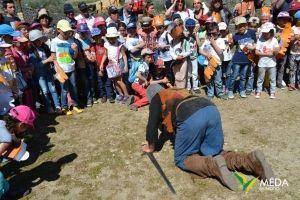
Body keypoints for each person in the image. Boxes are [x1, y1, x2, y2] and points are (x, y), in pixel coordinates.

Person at [141, 84, 274, 191]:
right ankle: (250, 161)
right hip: (210, 108)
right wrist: (160, 142)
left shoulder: (156, 99)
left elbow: (152, 125)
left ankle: (213, 165)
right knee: (215, 151)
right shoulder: (176, 89)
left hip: (190, 115)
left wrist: (151, 146)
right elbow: (167, 130)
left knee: (182, 158)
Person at [51, 20, 83, 115]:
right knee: (64, 89)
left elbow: (74, 57)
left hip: (71, 68)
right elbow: (53, 57)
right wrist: (57, 68)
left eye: (67, 31)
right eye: (64, 31)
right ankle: (64, 107)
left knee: (74, 87)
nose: (66, 33)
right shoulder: (54, 41)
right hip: (61, 70)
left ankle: (75, 105)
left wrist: (76, 50)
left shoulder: (70, 40)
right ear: (58, 30)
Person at [227, 16, 256, 99]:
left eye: (243, 25)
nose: (241, 28)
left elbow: (255, 44)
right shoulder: (235, 36)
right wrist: (230, 43)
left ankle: (242, 90)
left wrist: (253, 49)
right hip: (237, 60)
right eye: (239, 26)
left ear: (246, 25)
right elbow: (232, 46)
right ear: (236, 27)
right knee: (234, 76)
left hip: (247, 60)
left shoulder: (251, 33)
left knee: (243, 77)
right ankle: (230, 90)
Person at [100, 27, 130, 103]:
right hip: (111, 64)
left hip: (119, 63)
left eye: (113, 38)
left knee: (119, 80)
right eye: (110, 38)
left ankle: (126, 95)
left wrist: (126, 65)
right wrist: (101, 64)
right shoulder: (106, 44)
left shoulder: (120, 45)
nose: (112, 40)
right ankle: (120, 94)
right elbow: (105, 54)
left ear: (116, 37)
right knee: (114, 80)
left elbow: (124, 55)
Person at [199, 22, 227, 99]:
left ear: (218, 32)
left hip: (217, 64)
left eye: (214, 33)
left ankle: (220, 93)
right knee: (209, 79)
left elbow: (220, 52)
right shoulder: (206, 41)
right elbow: (200, 50)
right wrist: (206, 54)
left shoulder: (220, 40)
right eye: (209, 34)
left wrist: (213, 42)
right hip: (207, 64)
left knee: (218, 80)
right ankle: (210, 93)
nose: (211, 36)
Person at [90, 28, 115, 103]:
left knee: (108, 82)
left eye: (98, 36)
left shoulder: (105, 44)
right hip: (98, 67)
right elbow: (93, 58)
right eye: (95, 37)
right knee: (100, 83)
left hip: (107, 66)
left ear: (101, 35)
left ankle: (110, 96)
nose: (97, 38)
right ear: (93, 38)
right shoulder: (93, 46)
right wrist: (98, 69)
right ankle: (103, 95)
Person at [75, 23, 98, 107]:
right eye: (82, 33)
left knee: (91, 79)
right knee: (85, 81)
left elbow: (92, 47)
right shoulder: (77, 41)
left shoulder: (88, 39)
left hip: (90, 63)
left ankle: (93, 95)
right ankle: (88, 98)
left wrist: (92, 54)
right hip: (81, 64)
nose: (84, 34)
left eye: (85, 32)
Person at [255, 23, 279, 99]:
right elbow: (256, 52)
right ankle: (258, 91)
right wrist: (267, 54)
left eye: (266, 33)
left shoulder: (274, 40)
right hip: (262, 63)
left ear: (271, 32)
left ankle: (272, 92)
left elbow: (275, 52)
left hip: (272, 63)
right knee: (260, 78)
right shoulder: (260, 39)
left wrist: (274, 52)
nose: (265, 34)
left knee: (272, 79)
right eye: (263, 33)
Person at [275, 11, 292, 89]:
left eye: (287, 19)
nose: (285, 21)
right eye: (283, 19)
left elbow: (290, 41)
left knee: (281, 68)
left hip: (284, 53)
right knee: (273, 67)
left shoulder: (289, 29)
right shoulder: (274, 29)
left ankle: (279, 82)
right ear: (278, 20)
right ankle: (272, 82)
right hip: (274, 53)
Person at [184, 18, 200, 93]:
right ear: (186, 27)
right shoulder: (185, 34)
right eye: (189, 27)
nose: (190, 28)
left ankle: (195, 87)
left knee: (195, 72)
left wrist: (195, 35)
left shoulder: (195, 34)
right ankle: (188, 87)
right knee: (188, 72)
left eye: (192, 27)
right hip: (187, 57)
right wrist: (186, 35)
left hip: (194, 56)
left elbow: (199, 44)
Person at [218, 22, 233, 93]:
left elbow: (232, 45)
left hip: (228, 58)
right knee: (222, 74)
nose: (222, 32)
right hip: (221, 58)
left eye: (223, 30)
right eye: (220, 30)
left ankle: (228, 86)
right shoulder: (217, 37)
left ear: (226, 29)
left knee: (228, 74)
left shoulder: (229, 35)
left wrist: (230, 42)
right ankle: (223, 86)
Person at [288, 10, 300, 90]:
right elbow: (289, 40)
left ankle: (298, 83)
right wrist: (295, 37)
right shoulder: (292, 28)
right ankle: (291, 83)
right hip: (293, 52)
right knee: (292, 68)